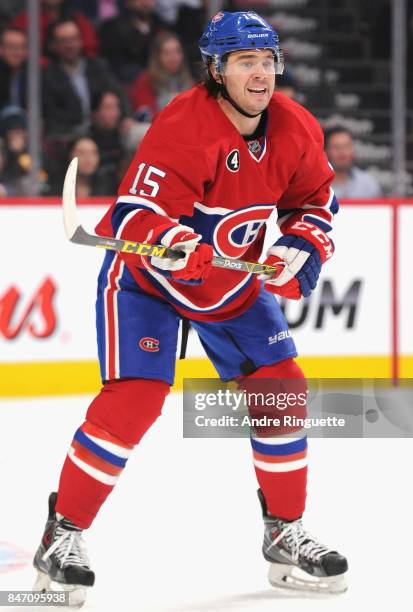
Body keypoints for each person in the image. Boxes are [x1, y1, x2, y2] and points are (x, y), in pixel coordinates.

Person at [33, 11, 348, 605]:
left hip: (230, 288)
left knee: (283, 388)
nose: (260, 74)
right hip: (148, 284)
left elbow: (318, 200)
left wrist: (300, 243)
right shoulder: (184, 125)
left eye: (266, 61)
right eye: (244, 62)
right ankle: (63, 535)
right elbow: (134, 217)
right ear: (216, 70)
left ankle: (284, 533)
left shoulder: (294, 125)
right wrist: (174, 243)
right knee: (135, 400)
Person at [42, 19, 130, 139]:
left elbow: (117, 93)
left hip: (106, 131)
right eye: (64, 41)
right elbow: (53, 118)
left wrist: (127, 117)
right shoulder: (48, 76)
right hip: (70, 136)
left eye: (74, 39)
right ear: (53, 45)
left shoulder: (98, 66)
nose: (70, 45)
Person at [128, 31, 194, 121]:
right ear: (157, 57)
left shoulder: (189, 81)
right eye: (167, 53)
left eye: (177, 52)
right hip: (158, 128)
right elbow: (145, 114)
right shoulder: (146, 80)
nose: (173, 57)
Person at [324, 125, 382, 198]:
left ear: (353, 149)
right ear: (326, 151)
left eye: (347, 146)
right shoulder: (318, 186)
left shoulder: (368, 183)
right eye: (336, 147)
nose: (343, 153)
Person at [0, 27, 28, 112]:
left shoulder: (36, 75)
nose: (17, 52)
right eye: (12, 47)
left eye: (21, 47)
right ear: (1, 49)